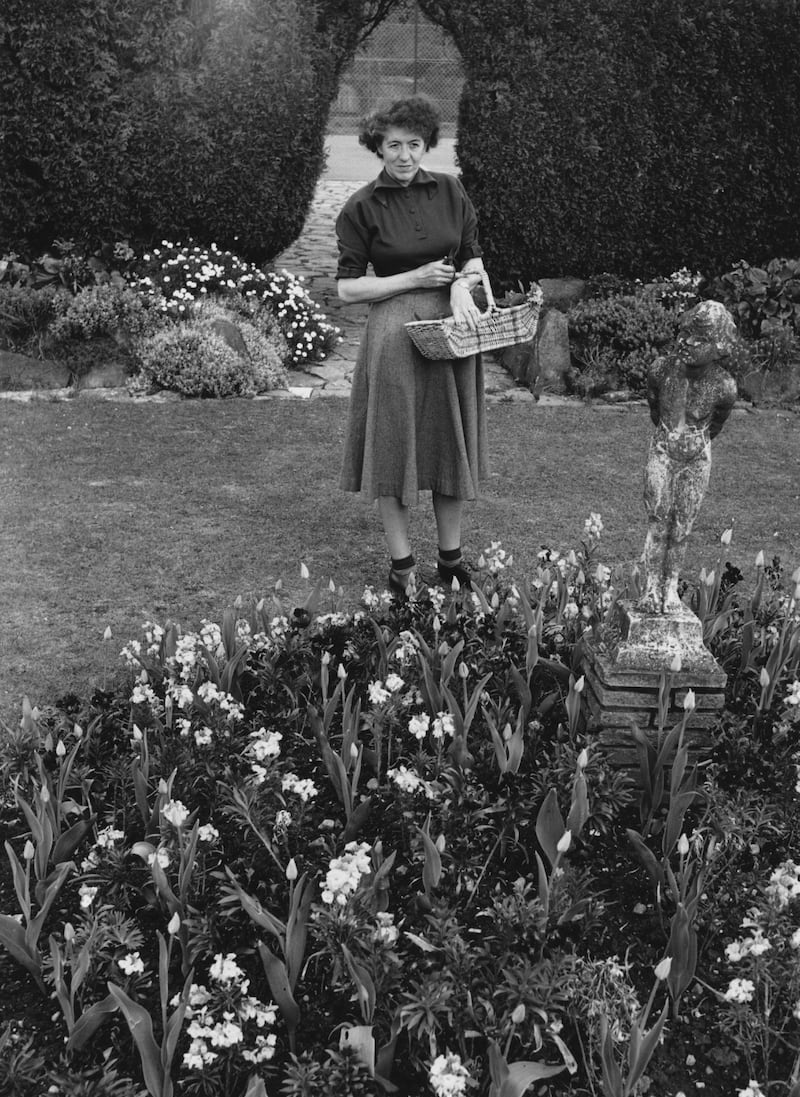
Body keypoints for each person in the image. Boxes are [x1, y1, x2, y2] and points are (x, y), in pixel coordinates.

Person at [336, 95, 487, 596]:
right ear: (377, 147)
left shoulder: (450, 190)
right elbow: (348, 288)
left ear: (426, 145)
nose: (404, 154)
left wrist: (464, 286)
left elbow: (473, 259)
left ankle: (451, 560)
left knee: (450, 443)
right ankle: (401, 566)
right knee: (395, 445)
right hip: (395, 334)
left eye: (414, 144)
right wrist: (414, 277)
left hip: (452, 328)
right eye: (393, 145)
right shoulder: (360, 206)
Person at [637, 300, 738, 614]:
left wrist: (693, 444)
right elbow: (656, 408)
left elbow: (716, 424)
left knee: (682, 527)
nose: (687, 342)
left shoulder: (723, 386)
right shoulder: (661, 370)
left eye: (701, 339)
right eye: (685, 333)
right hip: (663, 451)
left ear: (720, 347)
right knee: (658, 519)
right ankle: (650, 587)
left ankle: (670, 589)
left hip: (696, 460)